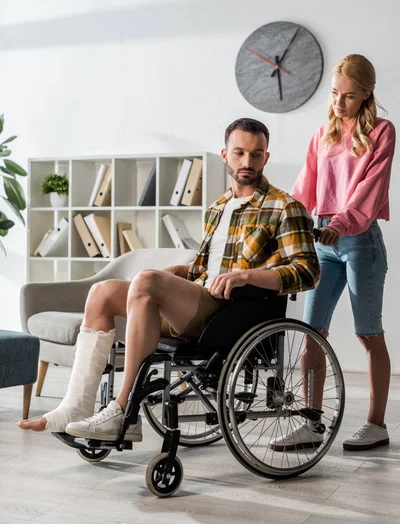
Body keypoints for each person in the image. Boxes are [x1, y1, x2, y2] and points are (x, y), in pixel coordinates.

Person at [19, 117, 320, 440]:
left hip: (230, 312)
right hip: (198, 298)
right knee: (103, 291)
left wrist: (245, 275)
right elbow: (203, 267)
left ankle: (124, 410)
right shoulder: (218, 207)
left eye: (256, 155)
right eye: (239, 153)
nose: (247, 162)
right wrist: (178, 273)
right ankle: (76, 407)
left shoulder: (285, 207)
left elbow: (307, 271)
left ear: (266, 157)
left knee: (146, 282)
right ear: (224, 154)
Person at [271, 54, 396, 452]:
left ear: (366, 95)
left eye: (349, 96)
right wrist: (282, 222)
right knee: (312, 335)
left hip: (360, 241)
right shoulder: (323, 133)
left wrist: (339, 226)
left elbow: (368, 193)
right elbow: (304, 187)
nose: (339, 103)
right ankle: (311, 423)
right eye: (335, 94)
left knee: (367, 333)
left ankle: (376, 425)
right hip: (322, 240)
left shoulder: (382, 132)